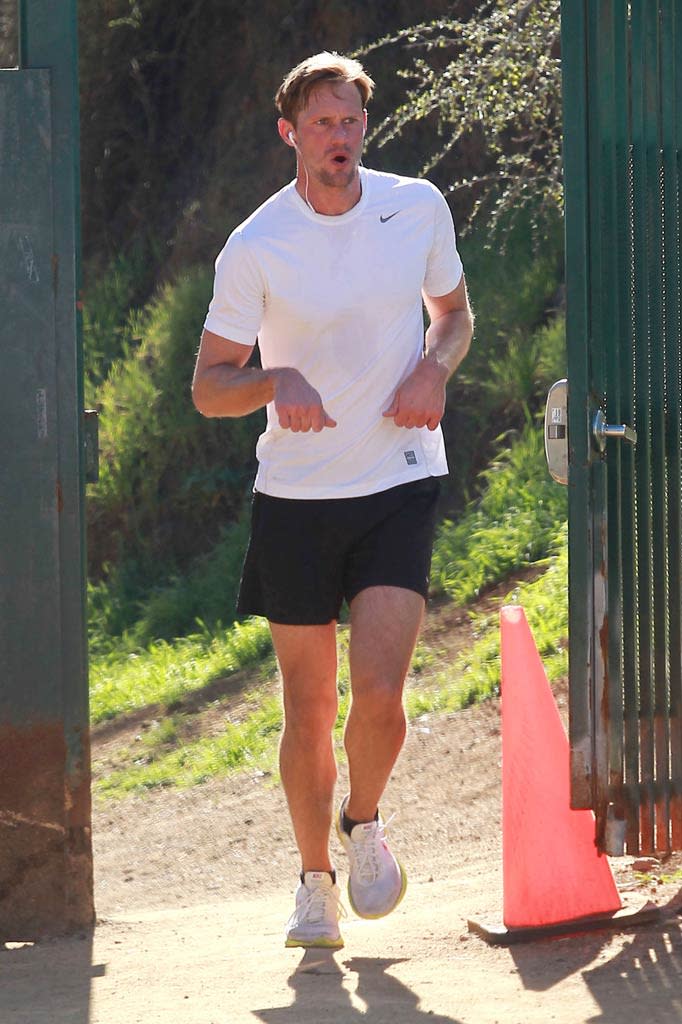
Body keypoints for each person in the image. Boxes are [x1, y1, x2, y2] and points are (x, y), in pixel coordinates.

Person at [192, 51, 473, 950]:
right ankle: (314, 881)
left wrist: (434, 366)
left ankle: (368, 822)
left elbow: (455, 313)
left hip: (398, 474)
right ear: (291, 134)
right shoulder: (256, 245)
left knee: (382, 694)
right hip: (298, 497)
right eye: (322, 123)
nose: (340, 137)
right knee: (308, 707)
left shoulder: (416, 206)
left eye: (351, 119)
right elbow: (208, 386)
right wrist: (274, 380)